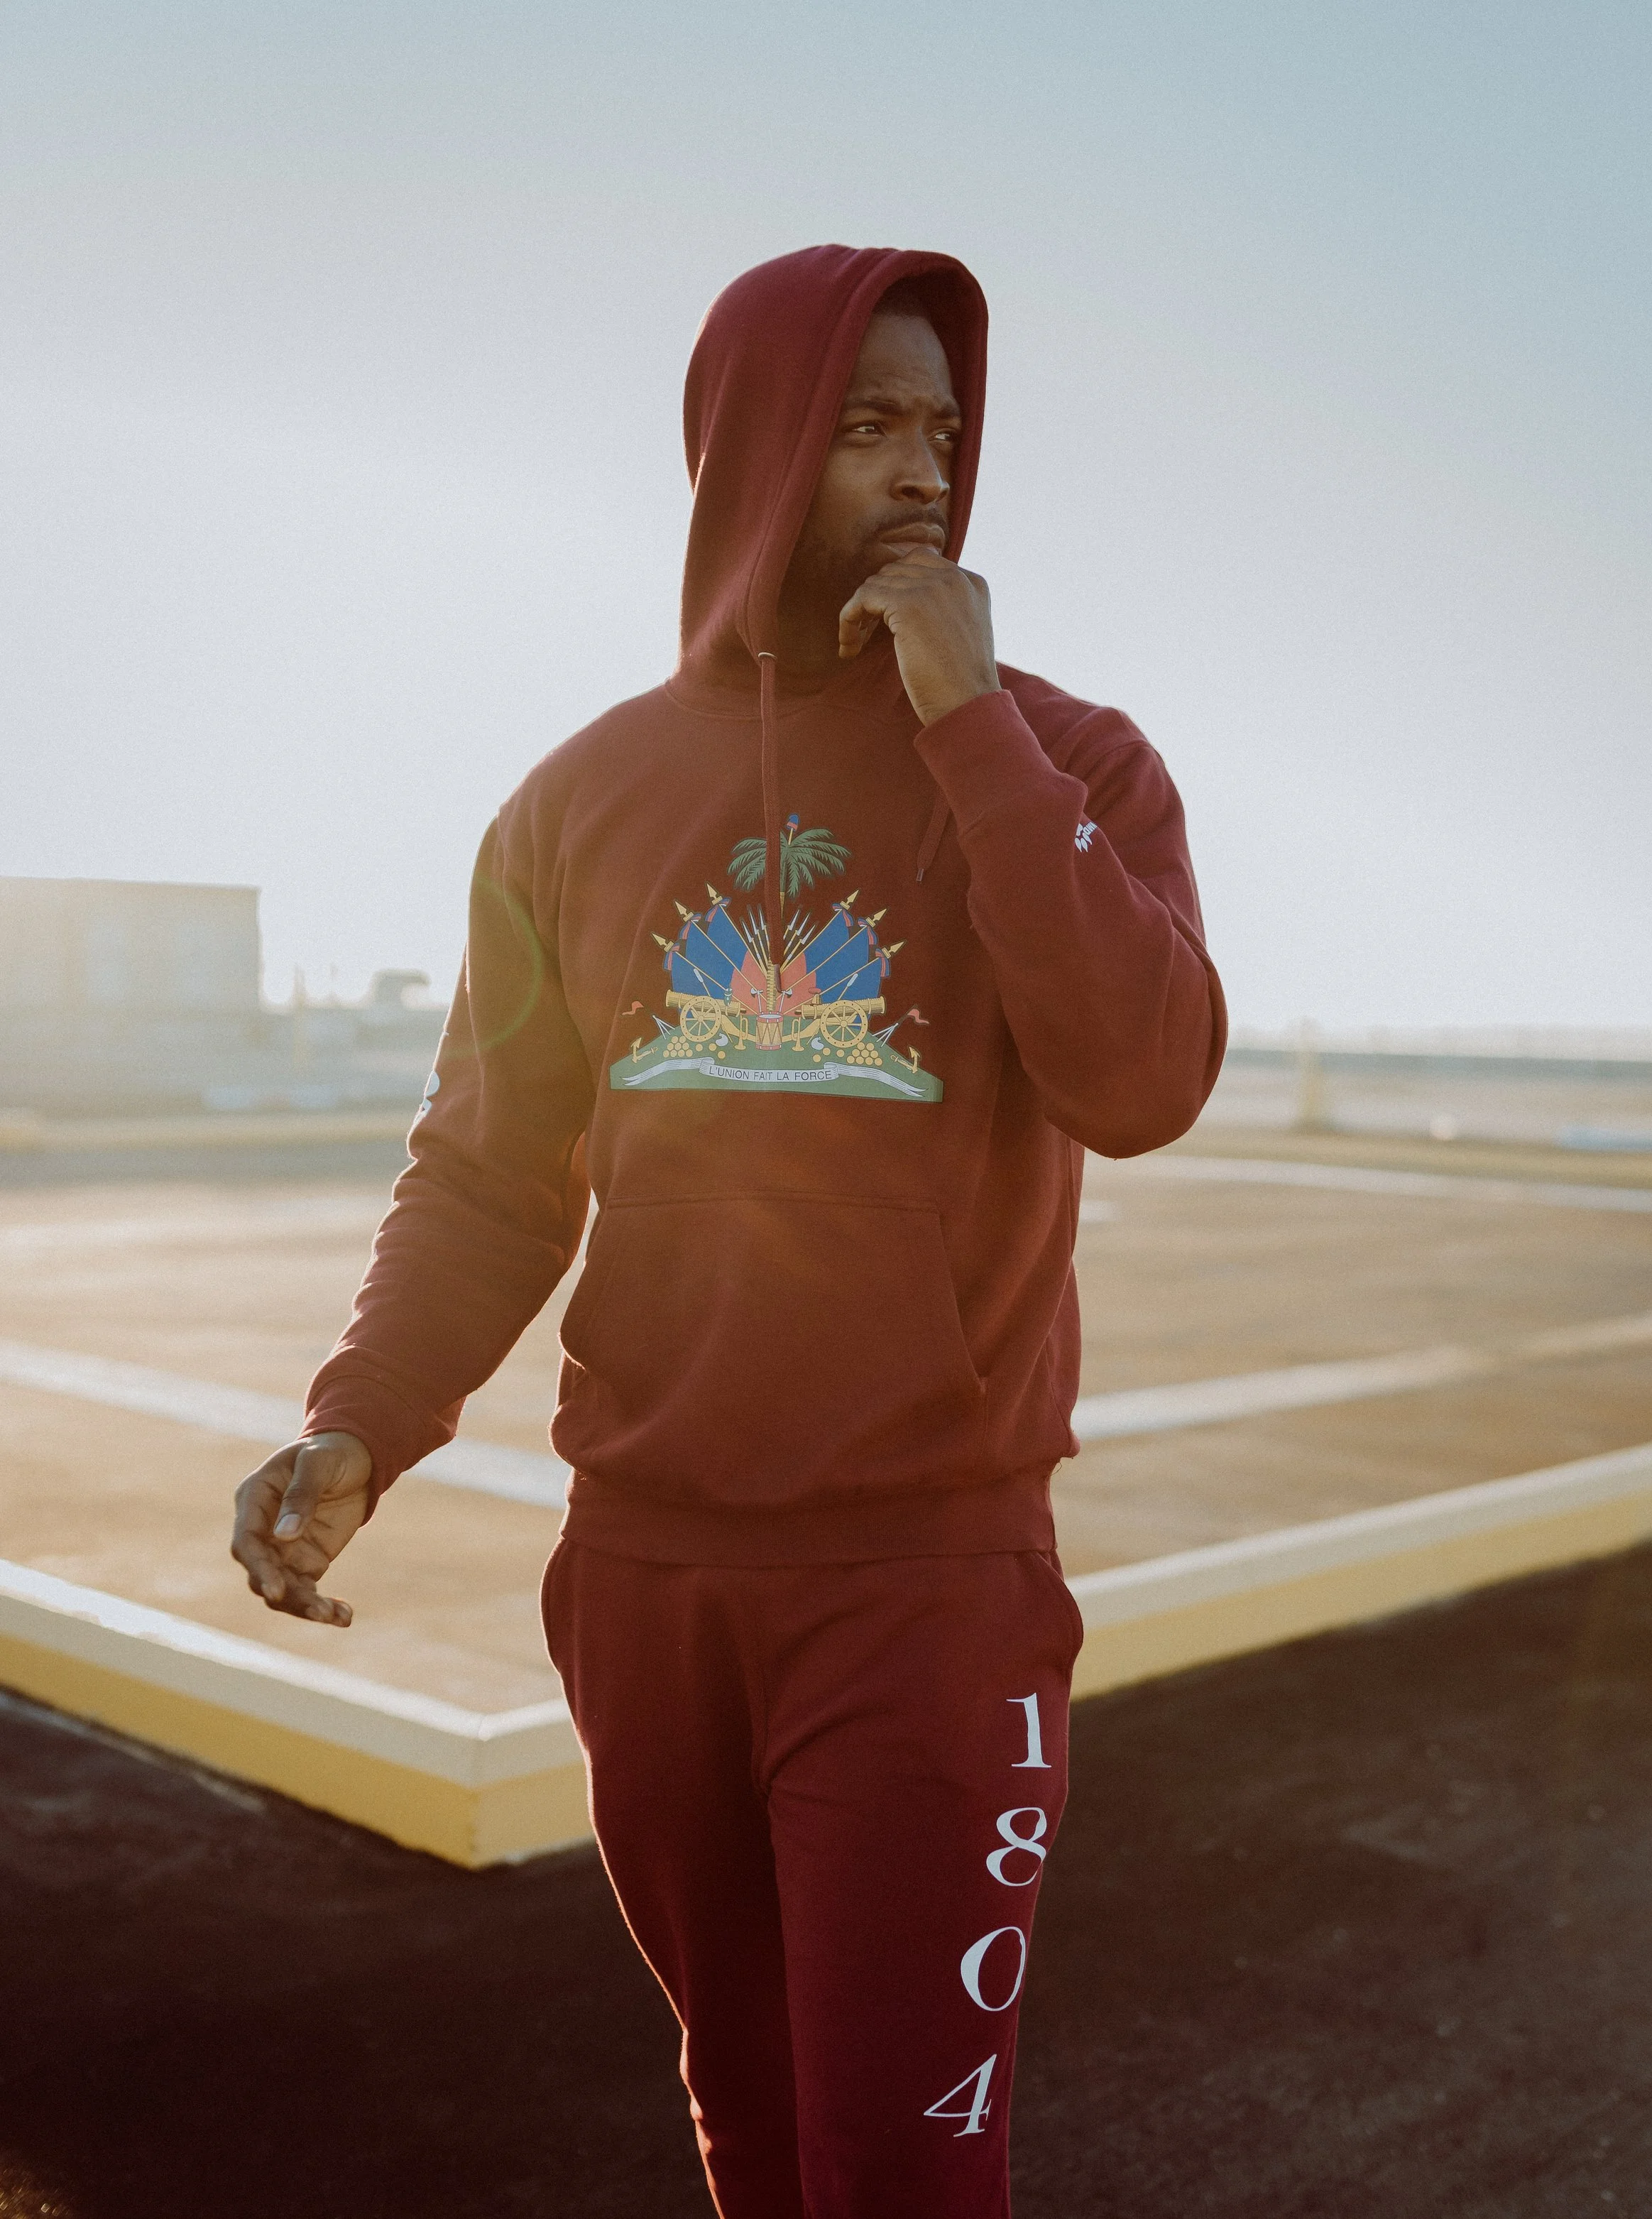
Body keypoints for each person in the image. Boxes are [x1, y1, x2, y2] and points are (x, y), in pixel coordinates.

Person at [230, 243, 1226, 2218]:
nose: (925, 471)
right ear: (752, 453)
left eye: (944, 427)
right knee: (749, 2136)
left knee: (897, 2176)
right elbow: (495, 1168)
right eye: (867, 426)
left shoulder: (1072, 761)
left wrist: (968, 729)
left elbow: (1144, 1077)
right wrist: (365, 1416)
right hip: (646, 1579)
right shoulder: (576, 800)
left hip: (921, 1584)